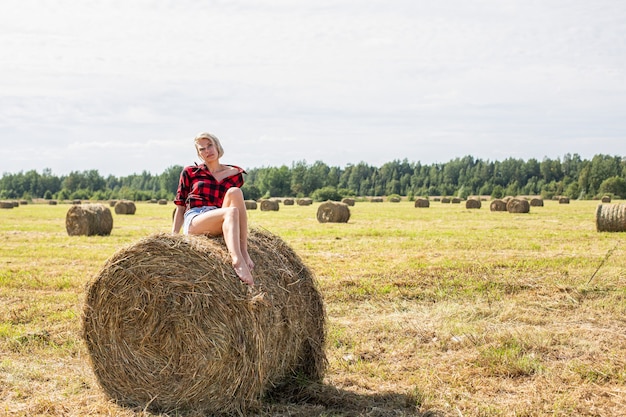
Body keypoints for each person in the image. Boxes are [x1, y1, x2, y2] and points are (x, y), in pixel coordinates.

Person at [172, 132, 255, 286]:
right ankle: (236, 261)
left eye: (209, 145)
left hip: (218, 215)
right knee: (231, 212)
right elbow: (181, 205)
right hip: (196, 218)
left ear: (217, 146)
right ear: (199, 154)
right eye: (202, 149)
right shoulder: (190, 172)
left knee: (235, 192)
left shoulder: (234, 174)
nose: (207, 151)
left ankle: (244, 251)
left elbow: (233, 203)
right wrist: (173, 238)